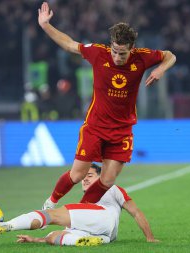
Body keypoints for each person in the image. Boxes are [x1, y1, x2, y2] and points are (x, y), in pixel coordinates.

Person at [38, 2, 176, 208]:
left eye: (122, 53)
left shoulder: (142, 57)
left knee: (108, 180)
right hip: (96, 126)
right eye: (115, 51)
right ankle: (50, 202)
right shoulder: (98, 53)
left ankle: (80, 212)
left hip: (122, 130)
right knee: (77, 174)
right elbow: (69, 44)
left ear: (132, 49)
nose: (117, 57)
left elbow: (170, 55)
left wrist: (161, 69)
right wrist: (46, 26)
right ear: (110, 44)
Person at [0, 163, 158, 246]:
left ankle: (4, 226)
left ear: (101, 177)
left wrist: (149, 237)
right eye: (84, 178)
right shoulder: (85, 205)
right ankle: (83, 242)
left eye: (90, 176)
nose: (85, 180)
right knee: (53, 236)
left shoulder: (112, 189)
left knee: (52, 214)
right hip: (105, 234)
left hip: (103, 217)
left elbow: (136, 212)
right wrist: (35, 240)